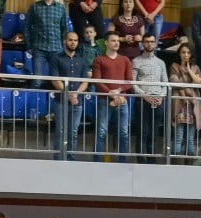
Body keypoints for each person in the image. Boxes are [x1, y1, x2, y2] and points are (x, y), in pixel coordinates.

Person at [92, 32, 133, 163]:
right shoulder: (99, 59)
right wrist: (110, 92)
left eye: (118, 41)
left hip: (122, 100)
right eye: (113, 40)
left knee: (124, 132)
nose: (116, 43)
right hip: (105, 100)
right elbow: (97, 80)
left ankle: (123, 162)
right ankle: (97, 161)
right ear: (106, 42)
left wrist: (118, 91)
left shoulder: (125, 59)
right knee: (102, 131)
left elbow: (129, 81)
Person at [50, 31, 91, 160]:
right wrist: (69, 95)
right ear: (64, 41)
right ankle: (58, 159)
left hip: (77, 102)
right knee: (60, 131)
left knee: (73, 132)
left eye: (75, 40)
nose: (73, 42)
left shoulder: (82, 60)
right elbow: (55, 80)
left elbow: (85, 81)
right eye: (70, 40)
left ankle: (71, 158)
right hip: (61, 101)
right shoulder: (56, 58)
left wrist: (76, 94)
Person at [132, 33, 168, 163]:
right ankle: (141, 160)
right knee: (142, 131)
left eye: (152, 41)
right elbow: (133, 83)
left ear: (155, 43)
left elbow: (165, 83)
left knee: (154, 132)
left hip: (158, 101)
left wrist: (161, 97)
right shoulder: (136, 61)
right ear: (142, 43)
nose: (149, 44)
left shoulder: (161, 63)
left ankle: (152, 159)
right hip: (142, 100)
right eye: (147, 41)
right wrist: (144, 95)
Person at [168, 43, 201, 163]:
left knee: (190, 138)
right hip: (180, 104)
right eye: (183, 52)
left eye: (188, 52)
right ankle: (175, 162)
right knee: (178, 136)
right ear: (179, 54)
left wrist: (189, 71)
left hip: (192, 105)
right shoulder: (174, 66)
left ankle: (189, 164)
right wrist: (191, 84)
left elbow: (200, 82)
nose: (186, 55)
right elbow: (175, 82)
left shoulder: (195, 68)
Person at [24, 0, 68, 80]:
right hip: (39, 49)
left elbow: (64, 29)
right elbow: (27, 26)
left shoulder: (61, 8)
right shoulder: (34, 6)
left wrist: (64, 47)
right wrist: (28, 45)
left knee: (56, 82)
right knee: (37, 81)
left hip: (57, 50)